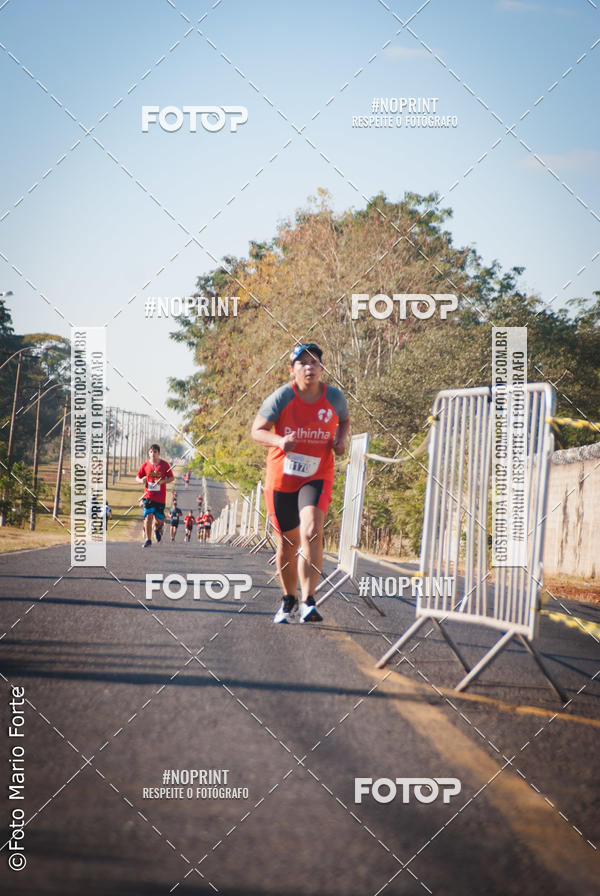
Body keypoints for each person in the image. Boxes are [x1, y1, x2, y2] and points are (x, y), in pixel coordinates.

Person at [251, 343, 349, 623]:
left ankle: (308, 600)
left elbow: (344, 420)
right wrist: (279, 441)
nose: (309, 366)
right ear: (292, 370)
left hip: (317, 474)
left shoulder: (334, 397)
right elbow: (256, 431)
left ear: (321, 368)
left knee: (312, 531)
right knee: (287, 541)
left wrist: (340, 441)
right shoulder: (281, 397)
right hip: (282, 477)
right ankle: (288, 599)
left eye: (314, 362)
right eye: (302, 362)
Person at [136, 444, 175, 548]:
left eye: (155, 452)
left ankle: (156, 528)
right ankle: (148, 540)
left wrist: (162, 482)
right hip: (148, 496)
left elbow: (171, 478)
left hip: (160, 497)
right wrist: (141, 480)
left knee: (159, 520)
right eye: (151, 452)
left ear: (158, 453)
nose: (153, 454)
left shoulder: (164, 465)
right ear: (149, 453)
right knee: (148, 517)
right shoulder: (145, 465)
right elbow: (137, 477)